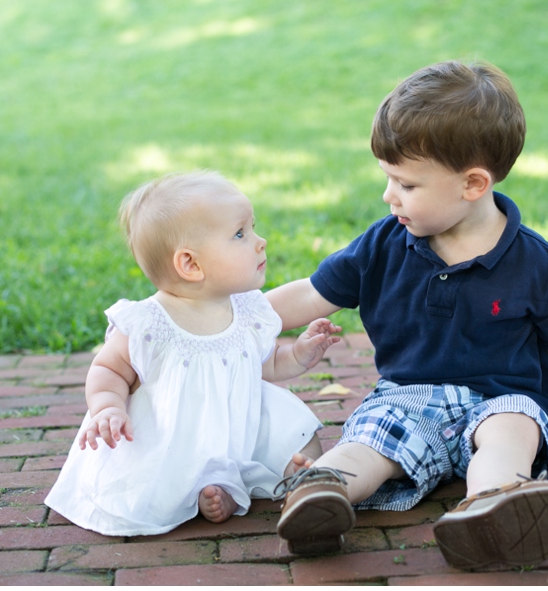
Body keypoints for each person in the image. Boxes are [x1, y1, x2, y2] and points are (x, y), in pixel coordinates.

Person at [266, 60, 548, 568]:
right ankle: (321, 492)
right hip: (409, 398)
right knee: (373, 437)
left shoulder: (542, 268)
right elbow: (312, 294)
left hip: (503, 398)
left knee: (512, 429)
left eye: (407, 185)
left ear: (473, 184)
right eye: (388, 179)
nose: (388, 195)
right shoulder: (382, 244)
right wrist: (241, 319)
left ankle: (491, 506)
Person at [45, 170, 341, 536]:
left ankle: (294, 478)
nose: (260, 242)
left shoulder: (247, 312)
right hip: (175, 436)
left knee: (295, 431)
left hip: (238, 427)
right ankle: (208, 493)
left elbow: (261, 366)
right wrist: (107, 406)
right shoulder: (148, 324)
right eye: (240, 234)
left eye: (253, 228)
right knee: (168, 478)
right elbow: (109, 369)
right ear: (190, 264)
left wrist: (298, 354)